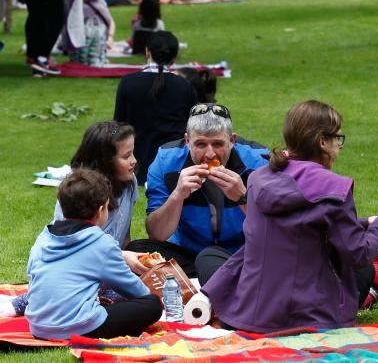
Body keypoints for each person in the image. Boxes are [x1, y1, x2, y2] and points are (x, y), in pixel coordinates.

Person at [202, 100, 378, 332]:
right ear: (322, 142)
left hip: (249, 312)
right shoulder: (333, 187)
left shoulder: (259, 178)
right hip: (307, 316)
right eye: (338, 138)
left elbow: (297, 227)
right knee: (363, 269)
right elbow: (358, 254)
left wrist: (364, 222)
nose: (340, 146)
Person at [0, 120, 151, 320]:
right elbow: (67, 251)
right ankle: (26, 302)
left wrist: (127, 259)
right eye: (126, 156)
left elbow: (125, 231)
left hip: (107, 264)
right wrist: (121, 258)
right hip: (76, 268)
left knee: (141, 282)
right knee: (144, 300)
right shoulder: (77, 192)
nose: (134, 160)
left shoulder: (129, 182)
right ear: (105, 160)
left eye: (133, 152)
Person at [127, 103, 268, 280]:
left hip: (242, 254)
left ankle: (203, 283)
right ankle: (223, 282)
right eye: (201, 144)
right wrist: (178, 195)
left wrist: (243, 198)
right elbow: (157, 234)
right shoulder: (166, 161)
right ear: (187, 141)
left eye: (218, 144)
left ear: (232, 140)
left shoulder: (259, 162)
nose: (210, 154)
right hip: (190, 253)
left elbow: (274, 230)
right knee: (137, 249)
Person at [25, 168, 161, 339]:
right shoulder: (101, 243)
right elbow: (137, 290)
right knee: (152, 304)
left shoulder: (44, 237)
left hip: (38, 327)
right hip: (79, 326)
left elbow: (32, 275)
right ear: (100, 210)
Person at [114, 31, 196, 184]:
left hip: (137, 165)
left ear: (147, 51)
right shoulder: (183, 86)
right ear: (174, 56)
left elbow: (117, 126)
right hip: (173, 165)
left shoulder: (128, 83)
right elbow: (193, 127)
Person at [70, 0, 115, 66]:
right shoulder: (101, 7)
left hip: (82, 37)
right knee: (96, 51)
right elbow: (109, 21)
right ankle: (99, 60)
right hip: (100, 36)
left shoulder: (80, 7)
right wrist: (110, 37)